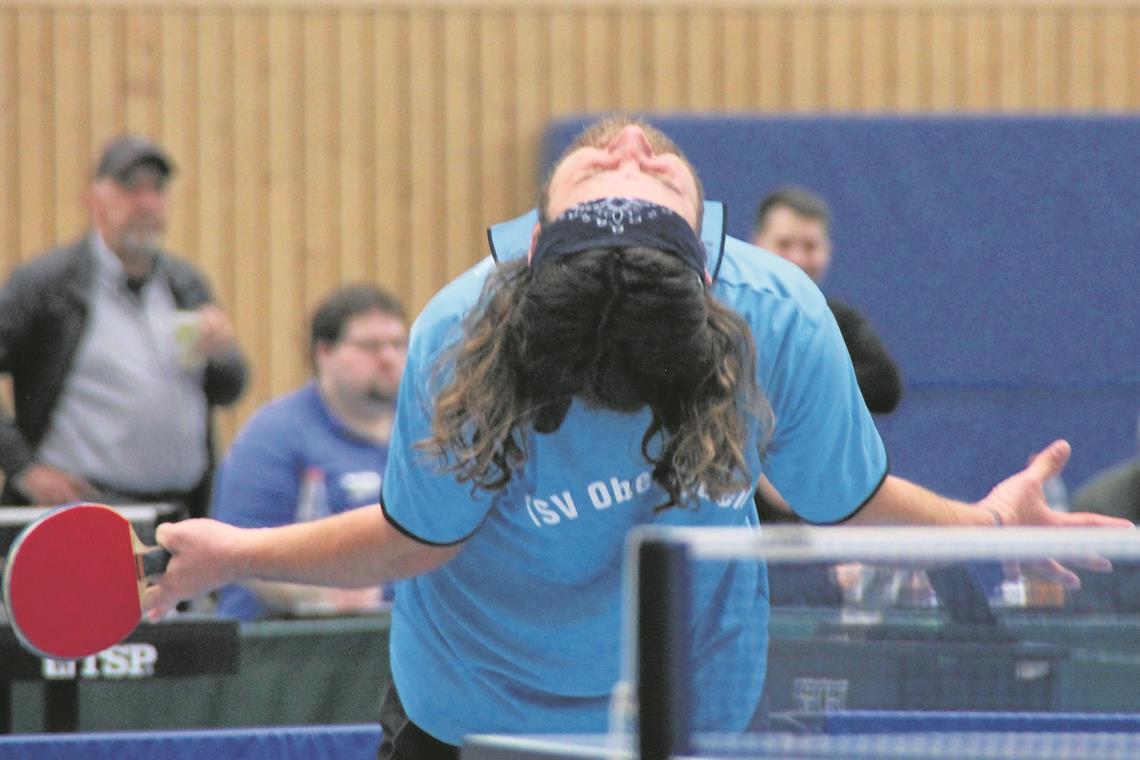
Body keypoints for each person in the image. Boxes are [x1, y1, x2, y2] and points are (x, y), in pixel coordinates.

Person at [143, 116, 1129, 758]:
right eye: (619, 175)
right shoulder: (458, 340)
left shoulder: (779, 319)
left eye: (646, 178)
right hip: (475, 708)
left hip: (688, 702)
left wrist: (987, 523)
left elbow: (849, 503)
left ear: (708, 275)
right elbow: (422, 534)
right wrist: (233, 551)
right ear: (530, 256)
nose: (629, 150)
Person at [0, 134, 248, 519]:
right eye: (131, 189)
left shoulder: (184, 283)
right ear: (95, 200)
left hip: (179, 510)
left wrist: (224, 354)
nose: (148, 203)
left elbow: (229, 389)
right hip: (80, 511)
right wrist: (23, 468)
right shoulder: (47, 284)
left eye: (158, 190)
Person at [211, 284, 408, 620]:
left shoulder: (425, 432)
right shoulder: (274, 436)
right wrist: (319, 596)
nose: (388, 358)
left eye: (398, 344)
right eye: (370, 346)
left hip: (394, 639)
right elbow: (233, 555)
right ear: (324, 353)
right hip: (286, 646)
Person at [752, 186, 902, 415]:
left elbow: (886, 390)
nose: (797, 258)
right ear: (756, 245)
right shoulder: (728, 317)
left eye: (810, 246)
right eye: (784, 244)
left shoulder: (841, 322)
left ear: (827, 250)